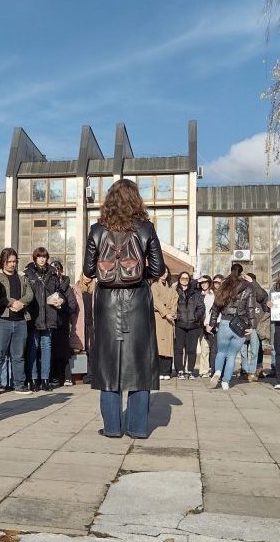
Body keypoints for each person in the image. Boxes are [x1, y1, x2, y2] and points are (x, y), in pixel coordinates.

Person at [83, 179, 163, 438]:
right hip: (138, 301)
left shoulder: (97, 229)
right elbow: (157, 268)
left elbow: (87, 269)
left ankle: (112, 427)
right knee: (140, 364)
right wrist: (140, 279)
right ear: (136, 200)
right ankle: (138, 428)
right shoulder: (146, 228)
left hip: (106, 302)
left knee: (108, 364)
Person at [207, 264, 256, 391]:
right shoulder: (248, 287)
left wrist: (212, 323)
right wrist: (252, 326)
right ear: (242, 273)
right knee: (232, 355)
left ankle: (217, 371)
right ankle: (226, 382)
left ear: (231, 271)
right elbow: (250, 308)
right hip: (240, 324)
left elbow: (216, 306)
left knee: (221, 352)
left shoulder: (224, 286)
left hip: (225, 322)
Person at [0, 248, 33, 393]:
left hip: (21, 320)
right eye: (9, 262)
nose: (12, 264)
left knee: (18, 355)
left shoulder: (22, 277)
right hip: (2, 319)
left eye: (14, 261)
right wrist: (11, 303)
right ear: (3, 262)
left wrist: (21, 303)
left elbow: (30, 294)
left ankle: (19, 384)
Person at [24, 247, 60, 391]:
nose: (42, 259)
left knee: (47, 347)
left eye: (44, 256)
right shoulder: (28, 273)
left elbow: (57, 292)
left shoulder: (52, 273)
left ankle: (45, 379)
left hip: (49, 316)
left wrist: (59, 300)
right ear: (35, 258)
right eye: (39, 256)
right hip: (34, 316)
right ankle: (33, 379)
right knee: (33, 348)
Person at [50, 260, 78, 386]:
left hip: (62, 321)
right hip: (50, 320)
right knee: (51, 350)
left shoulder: (66, 285)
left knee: (63, 349)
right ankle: (55, 376)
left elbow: (73, 306)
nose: (55, 271)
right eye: (53, 269)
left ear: (61, 270)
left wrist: (62, 305)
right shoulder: (48, 283)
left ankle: (67, 377)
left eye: (57, 269)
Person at [174, 271, 205, 379]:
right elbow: (172, 305)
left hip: (193, 325)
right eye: (182, 278)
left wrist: (195, 317)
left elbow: (202, 307)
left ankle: (190, 370)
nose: (184, 280)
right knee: (178, 349)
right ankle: (180, 370)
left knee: (191, 349)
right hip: (180, 324)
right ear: (179, 279)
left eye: (187, 278)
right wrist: (177, 316)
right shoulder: (175, 291)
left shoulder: (196, 293)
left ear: (189, 280)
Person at [151, 269, 176, 380]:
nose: (164, 274)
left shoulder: (171, 287)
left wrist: (172, 313)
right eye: (162, 272)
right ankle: (159, 371)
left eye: (166, 272)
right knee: (159, 344)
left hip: (170, 318)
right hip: (159, 317)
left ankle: (167, 371)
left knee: (168, 345)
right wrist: (166, 313)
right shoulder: (154, 286)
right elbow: (156, 301)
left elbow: (175, 300)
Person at [197, 275, 216, 376]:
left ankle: (204, 370)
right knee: (197, 348)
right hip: (197, 323)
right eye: (202, 283)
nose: (203, 284)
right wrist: (198, 280)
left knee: (206, 348)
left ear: (209, 283)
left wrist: (209, 324)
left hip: (207, 324)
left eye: (206, 282)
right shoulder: (197, 293)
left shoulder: (213, 295)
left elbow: (212, 311)